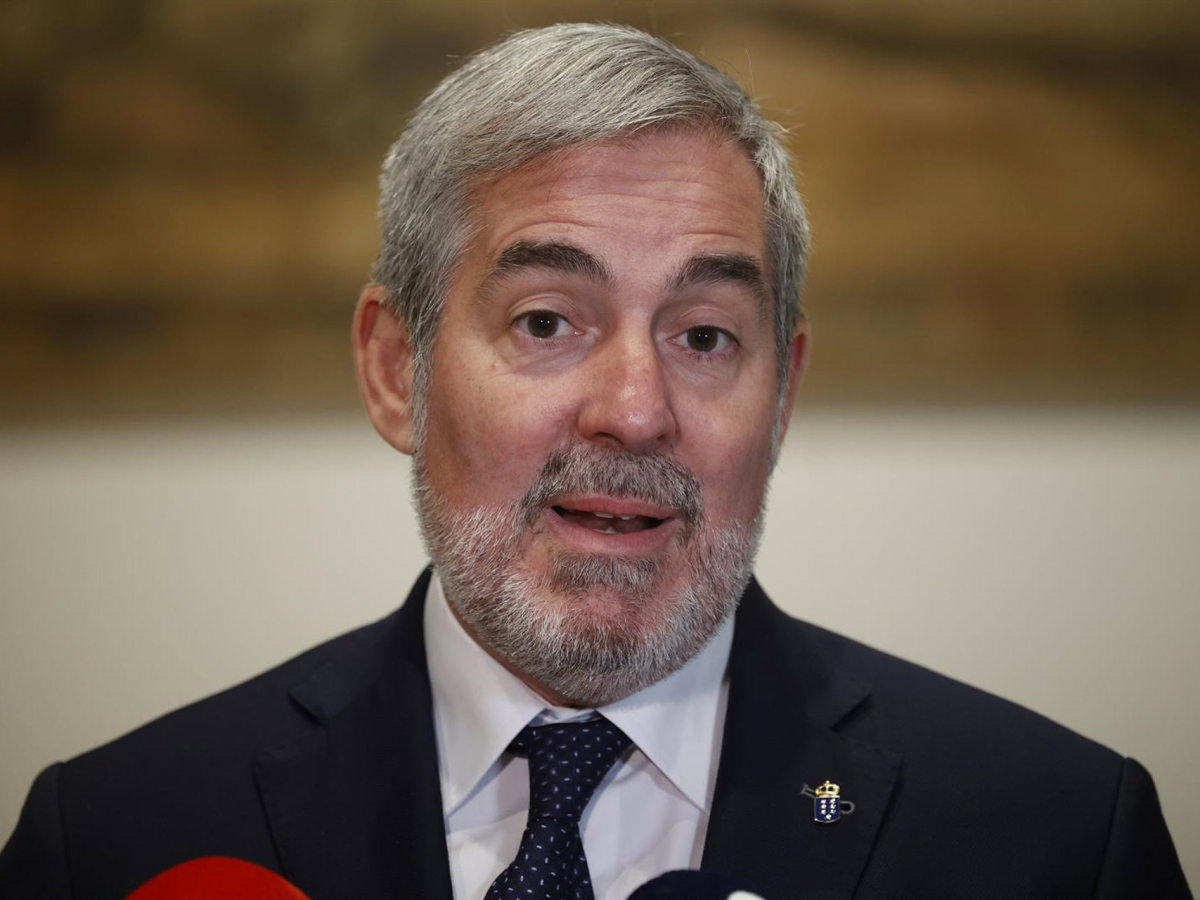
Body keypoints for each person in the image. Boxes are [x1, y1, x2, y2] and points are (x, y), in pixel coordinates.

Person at [0, 22, 1190, 900]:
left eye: (706, 337)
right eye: (546, 322)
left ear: (783, 397)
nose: (634, 411)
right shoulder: (110, 838)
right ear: (396, 369)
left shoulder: (1059, 839)